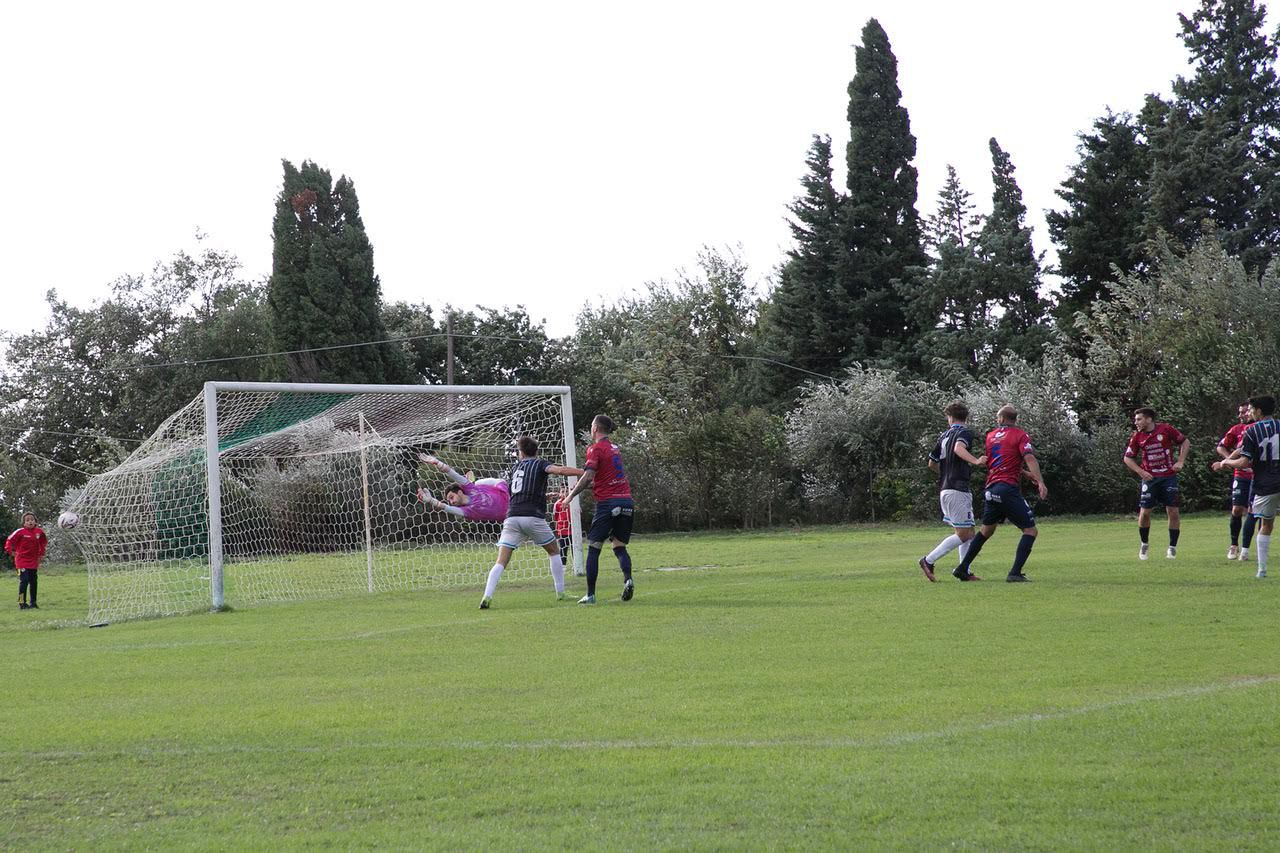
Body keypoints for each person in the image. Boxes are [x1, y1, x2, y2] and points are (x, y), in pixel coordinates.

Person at [478, 436, 584, 609]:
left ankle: (486, 597)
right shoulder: (540, 464)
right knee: (554, 551)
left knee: (501, 561)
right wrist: (583, 472)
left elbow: (520, 490)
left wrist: (543, 495)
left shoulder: (515, 468)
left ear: (521, 452)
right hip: (532, 517)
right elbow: (560, 470)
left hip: (512, 517)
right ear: (536, 451)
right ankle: (561, 592)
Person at [950, 405, 1049, 583]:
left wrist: (1026, 474)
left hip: (991, 488)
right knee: (1030, 530)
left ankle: (962, 568)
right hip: (1007, 488)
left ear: (1002, 419)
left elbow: (1001, 462)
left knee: (987, 530)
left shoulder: (991, 437)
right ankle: (1015, 573)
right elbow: (1029, 457)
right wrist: (1040, 481)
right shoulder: (1020, 435)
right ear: (1014, 419)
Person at [564, 414, 634, 604]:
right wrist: (585, 486)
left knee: (594, 547)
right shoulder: (615, 449)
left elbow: (588, 477)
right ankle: (628, 579)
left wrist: (570, 497)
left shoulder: (595, 449)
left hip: (608, 503)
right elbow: (602, 480)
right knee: (619, 545)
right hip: (626, 502)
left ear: (595, 429)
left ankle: (591, 594)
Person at [918, 401, 987, 582]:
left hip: (948, 487)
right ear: (966, 417)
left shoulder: (944, 436)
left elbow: (932, 463)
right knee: (964, 534)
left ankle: (964, 570)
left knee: (969, 531)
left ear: (950, 417)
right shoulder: (964, 432)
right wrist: (976, 461)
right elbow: (958, 448)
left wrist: (945, 474)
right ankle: (928, 560)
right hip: (956, 488)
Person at [1214, 395, 1280, 579]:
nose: (1249, 412)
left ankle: (1262, 569)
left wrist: (1226, 462)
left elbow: (1244, 462)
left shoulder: (1252, 431)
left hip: (1266, 485)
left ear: (1259, 411)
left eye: (1251, 409)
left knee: (1266, 524)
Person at [1123, 407, 1190, 560]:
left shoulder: (1166, 429)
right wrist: (1141, 472)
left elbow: (1185, 442)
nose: (1136, 422)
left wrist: (1180, 461)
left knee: (1173, 511)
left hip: (1168, 476)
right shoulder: (1137, 437)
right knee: (1145, 512)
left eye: (1139, 419)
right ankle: (1144, 544)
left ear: (1149, 419)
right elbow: (1127, 458)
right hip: (1150, 479)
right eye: (1136, 419)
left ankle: (1172, 547)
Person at [1217, 403, 1257, 561]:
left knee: (1255, 512)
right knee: (1236, 510)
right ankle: (1234, 545)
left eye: (1244, 412)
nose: (1240, 415)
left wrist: (1227, 462)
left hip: (1259, 475)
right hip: (1240, 474)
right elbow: (1221, 447)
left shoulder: (1258, 427)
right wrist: (1228, 461)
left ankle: (1248, 548)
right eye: (1239, 412)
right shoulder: (1236, 429)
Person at [417, 454, 510, 522]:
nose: (451, 502)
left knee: (485, 483)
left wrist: (437, 463)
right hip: (510, 516)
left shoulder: (470, 488)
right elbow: (446, 507)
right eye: (449, 501)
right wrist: (431, 501)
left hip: (509, 496)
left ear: (460, 492)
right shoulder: (467, 511)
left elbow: (453, 474)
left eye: (451, 497)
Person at [6, 512, 47, 610]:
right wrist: (11, 551)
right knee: (23, 581)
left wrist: (41, 554)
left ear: (35, 521)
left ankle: (33, 603)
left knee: (34, 582)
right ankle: (22, 603)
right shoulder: (20, 532)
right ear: (24, 523)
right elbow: (9, 541)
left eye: (32, 520)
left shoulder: (39, 532)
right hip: (21, 562)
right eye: (27, 520)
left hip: (33, 562)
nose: (30, 522)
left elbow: (43, 543)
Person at [552, 486, 574, 571]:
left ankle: (576, 565)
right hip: (562, 530)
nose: (565, 493)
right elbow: (555, 516)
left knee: (573, 548)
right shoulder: (557, 504)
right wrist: (558, 527)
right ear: (560, 493)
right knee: (563, 548)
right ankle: (563, 566)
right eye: (562, 491)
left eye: (566, 491)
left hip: (572, 530)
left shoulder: (573, 502)